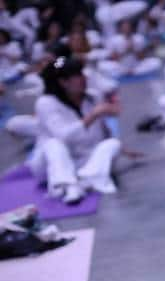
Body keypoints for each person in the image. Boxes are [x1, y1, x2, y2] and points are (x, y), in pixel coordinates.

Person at [28, 56, 124, 204]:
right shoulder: (45, 103)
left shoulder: (92, 97)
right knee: (53, 144)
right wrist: (93, 115)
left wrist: (116, 149)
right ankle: (69, 185)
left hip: (81, 160)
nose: (84, 78)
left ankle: (84, 180)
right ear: (63, 82)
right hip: (52, 164)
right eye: (78, 75)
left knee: (114, 143)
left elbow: (102, 135)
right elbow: (63, 137)